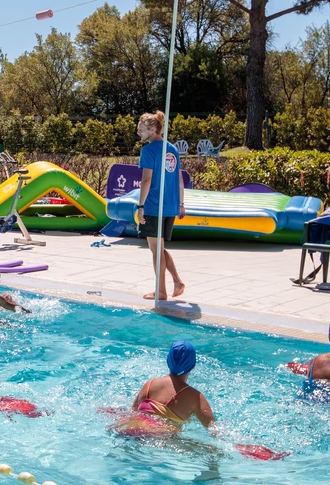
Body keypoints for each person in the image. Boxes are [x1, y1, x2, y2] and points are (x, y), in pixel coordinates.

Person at [135, 111, 186, 301]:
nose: (138, 133)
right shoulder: (171, 149)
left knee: (156, 250)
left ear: (153, 129)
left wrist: (140, 206)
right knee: (160, 248)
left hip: (154, 205)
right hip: (169, 205)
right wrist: (180, 204)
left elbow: (146, 180)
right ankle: (177, 281)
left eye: (141, 129)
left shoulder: (148, 151)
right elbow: (180, 179)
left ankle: (161, 291)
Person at [119, 341, 216, 434]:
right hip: (161, 439)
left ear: (168, 360)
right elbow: (214, 430)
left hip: (129, 431)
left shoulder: (149, 385)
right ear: (193, 365)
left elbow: (132, 412)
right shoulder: (195, 398)